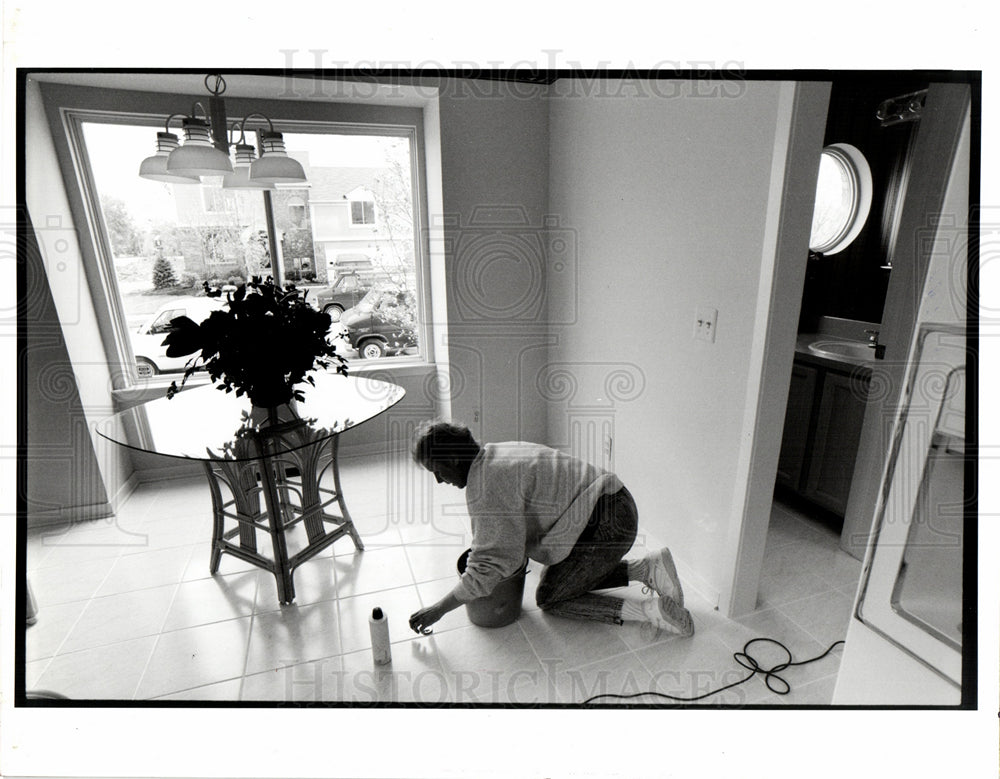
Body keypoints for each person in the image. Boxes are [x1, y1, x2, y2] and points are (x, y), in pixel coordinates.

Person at [407, 421, 694, 637]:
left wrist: (438, 610)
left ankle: (649, 612)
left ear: (454, 459)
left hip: (608, 526)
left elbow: (487, 565)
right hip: (616, 503)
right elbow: (504, 540)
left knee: (551, 597)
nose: (439, 481)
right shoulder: (496, 452)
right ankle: (647, 568)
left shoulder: (487, 487)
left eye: (437, 470)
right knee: (561, 577)